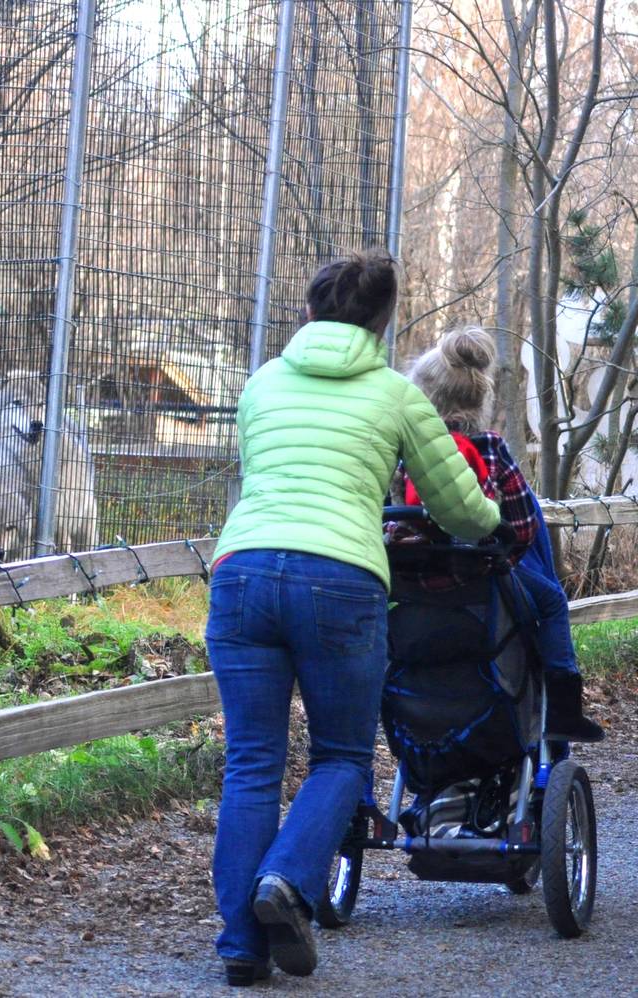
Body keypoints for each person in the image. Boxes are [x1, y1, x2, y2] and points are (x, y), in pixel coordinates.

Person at [208, 250, 500, 985]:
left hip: (241, 571)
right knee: (340, 756)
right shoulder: (395, 395)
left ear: (308, 312)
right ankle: (284, 880)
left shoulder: (263, 382)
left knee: (249, 763)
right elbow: (458, 505)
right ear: (382, 321)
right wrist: (490, 520)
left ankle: (241, 944)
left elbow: (268, 475)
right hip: (339, 580)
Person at [390, 325, 603, 743]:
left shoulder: (407, 449)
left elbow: (397, 513)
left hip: (415, 580)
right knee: (552, 600)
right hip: (480, 573)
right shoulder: (489, 447)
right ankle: (563, 703)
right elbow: (523, 526)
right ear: (479, 398)